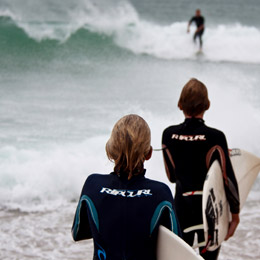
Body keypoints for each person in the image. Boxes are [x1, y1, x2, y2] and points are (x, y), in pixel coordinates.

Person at [72, 114, 181, 260]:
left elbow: (78, 232)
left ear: (110, 149)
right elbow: (177, 249)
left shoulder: (93, 184)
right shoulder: (160, 192)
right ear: (148, 153)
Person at [161, 78, 240, 260]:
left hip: (181, 207)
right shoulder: (216, 137)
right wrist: (234, 216)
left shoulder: (168, 134)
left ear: (180, 105)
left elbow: (171, 176)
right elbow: (228, 179)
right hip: (209, 210)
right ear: (208, 105)